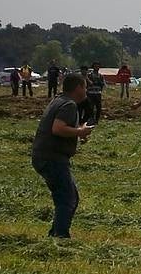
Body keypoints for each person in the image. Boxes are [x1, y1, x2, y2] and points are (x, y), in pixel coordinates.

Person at [32, 74, 94, 239]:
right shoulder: (69, 104)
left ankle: (56, 233)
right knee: (67, 198)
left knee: (68, 196)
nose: (86, 90)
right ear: (78, 88)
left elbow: (62, 128)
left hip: (44, 155)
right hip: (52, 157)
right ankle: (60, 236)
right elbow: (58, 128)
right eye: (85, 87)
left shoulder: (59, 100)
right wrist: (80, 132)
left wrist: (78, 133)